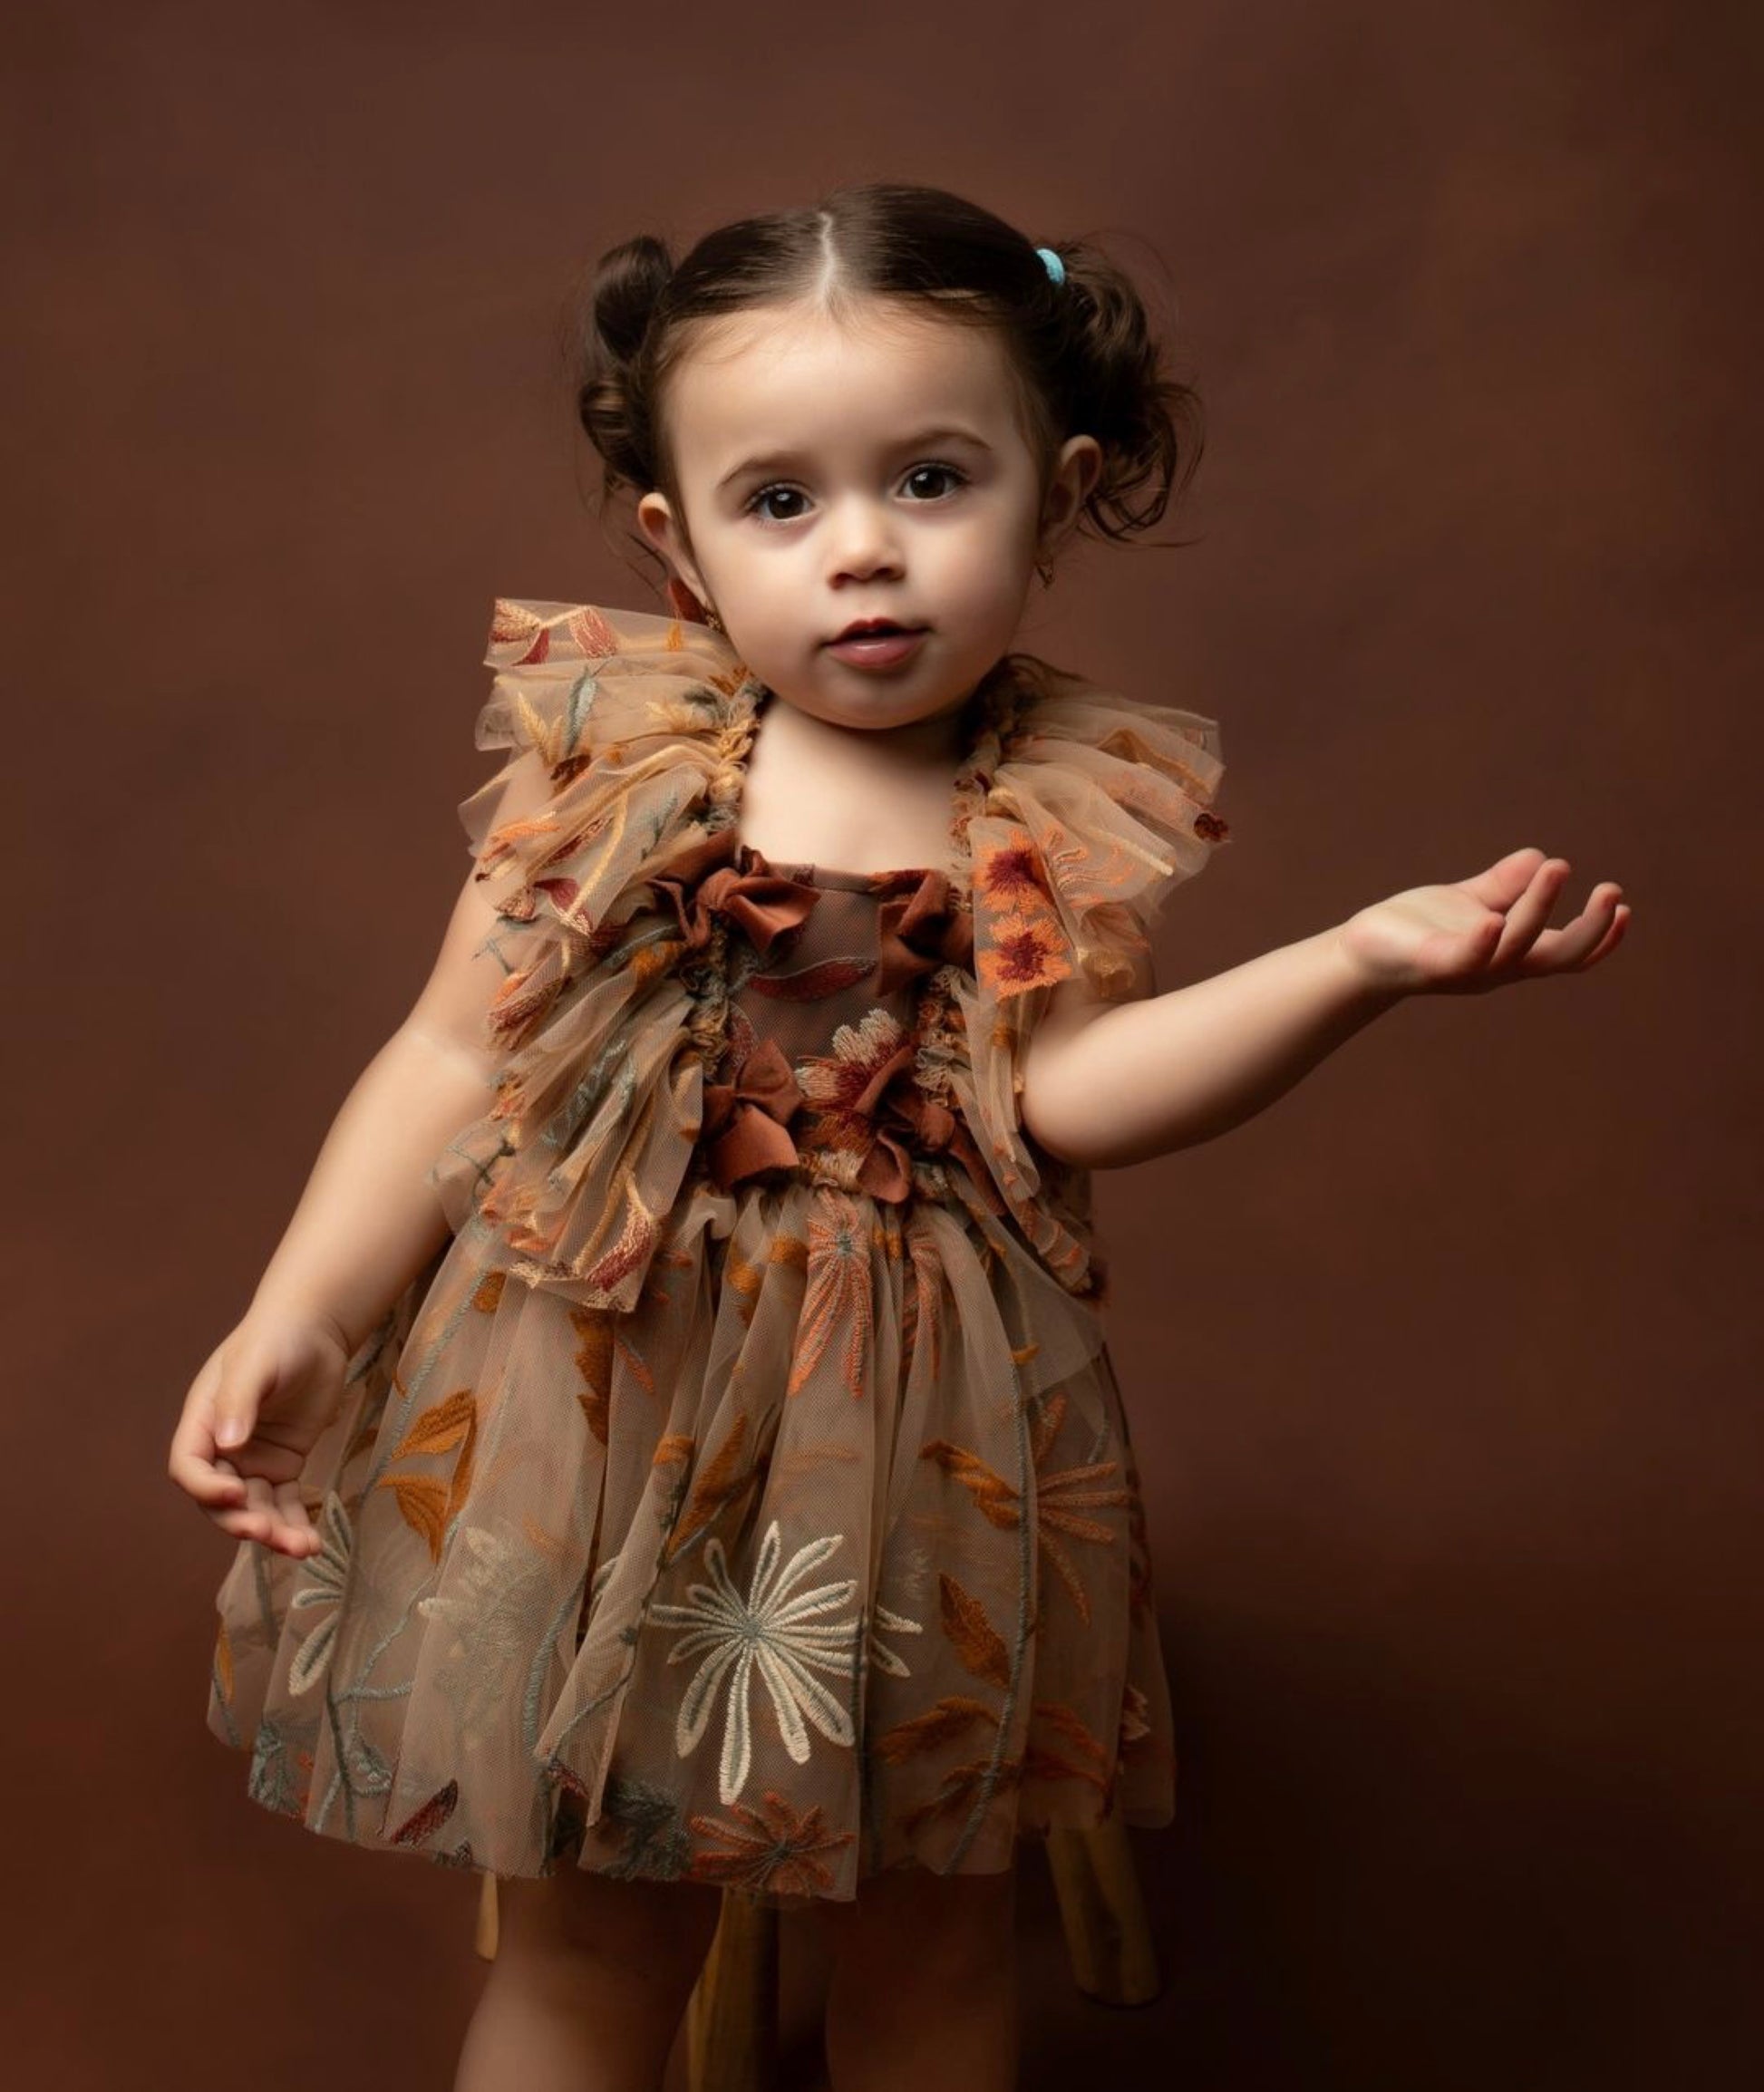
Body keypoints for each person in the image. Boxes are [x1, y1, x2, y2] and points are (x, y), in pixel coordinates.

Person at [167, 179, 1629, 2092]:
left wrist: (1354, 962)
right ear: (675, 545)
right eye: (781, 501)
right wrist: (303, 1309)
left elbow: (1066, 1086)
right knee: (598, 1919)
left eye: (931, 482)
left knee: (932, 1932)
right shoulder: (625, 763)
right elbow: (452, 1054)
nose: (863, 552)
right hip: (604, 1394)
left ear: (1055, 486)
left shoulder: (1042, 801)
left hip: (916, 1427)